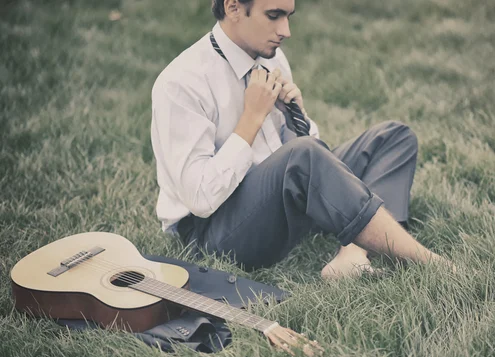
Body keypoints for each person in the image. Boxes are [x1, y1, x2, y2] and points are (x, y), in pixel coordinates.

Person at [150, 0, 453, 279]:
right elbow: (200, 198)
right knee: (303, 156)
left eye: (288, 16)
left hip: (277, 199)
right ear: (233, 8)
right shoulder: (181, 82)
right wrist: (251, 119)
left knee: (393, 137)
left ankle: (354, 253)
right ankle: (433, 264)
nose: (286, 31)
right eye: (274, 16)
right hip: (214, 232)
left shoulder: (272, 57)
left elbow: (307, 154)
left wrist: (298, 115)